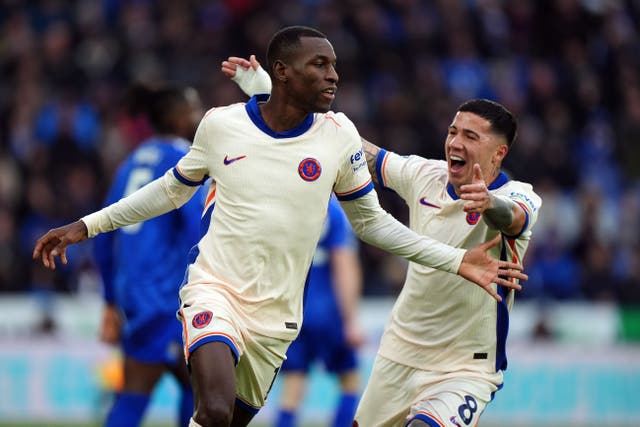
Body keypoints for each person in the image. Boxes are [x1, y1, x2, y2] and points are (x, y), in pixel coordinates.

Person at [33, 26, 526, 427]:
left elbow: (372, 223)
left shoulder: (338, 137)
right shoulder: (221, 125)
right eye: (321, 65)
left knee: (226, 418)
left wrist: (458, 259)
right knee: (214, 410)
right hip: (214, 289)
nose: (334, 74)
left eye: (334, 64)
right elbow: (169, 190)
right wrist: (86, 226)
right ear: (284, 73)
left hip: (276, 320)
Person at [225, 58, 541, 426]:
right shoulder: (425, 175)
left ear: (498, 153)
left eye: (470, 137)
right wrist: (270, 94)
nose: (455, 142)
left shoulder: (521, 195)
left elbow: (514, 216)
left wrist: (490, 203)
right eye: (453, 131)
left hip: (463, 368)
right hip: (399, 353)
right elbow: (350, 146)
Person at [94, 83, 204, 427]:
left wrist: (111, 300)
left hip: (136, 295)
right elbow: (198, 229)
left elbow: (102, 237)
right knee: (201, 392)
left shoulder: (131, 162)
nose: (200, 116)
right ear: (177, 116)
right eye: (193, 108)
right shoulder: (185, 159)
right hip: (169, 296)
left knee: (192, 388)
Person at [274, 196, 364, 427]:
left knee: (293, 386)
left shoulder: (286, 206)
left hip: (291, 311)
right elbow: (343, 264)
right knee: (350, 381)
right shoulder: (332, 210)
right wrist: (351, 320)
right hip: (328, 312)